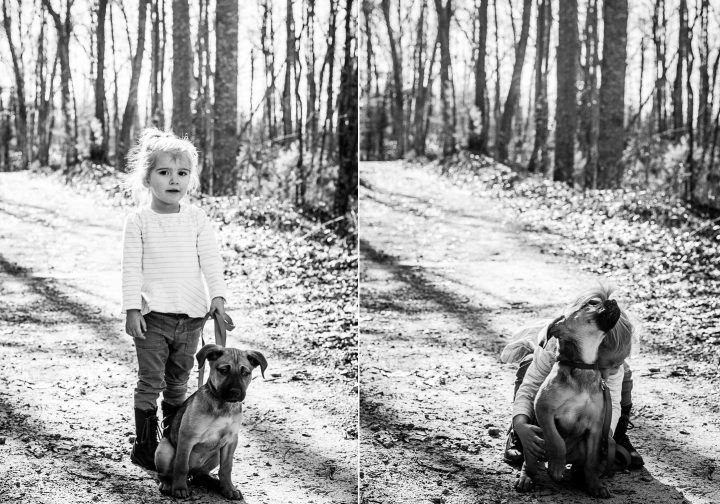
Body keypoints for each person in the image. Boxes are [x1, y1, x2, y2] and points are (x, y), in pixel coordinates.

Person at [121, 128, 228, 471]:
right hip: (153, 318)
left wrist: (218, 297)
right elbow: (130, 270)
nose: (173, 180)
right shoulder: (139, 221)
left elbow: (211, 260)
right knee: (151, 380)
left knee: (179, 382)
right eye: (164, 172)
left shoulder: (196, 219)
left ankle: (173, 438)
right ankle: (144, 444)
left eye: (182, 173)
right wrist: (132, 309)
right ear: (147, 177)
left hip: (192, 317)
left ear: (191, 180)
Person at [501, 286, 644, 470]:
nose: (608, 373)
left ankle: (618, 436)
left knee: (625, 374)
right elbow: (529, 388)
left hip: (585, 407)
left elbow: (613, 403)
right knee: (528, 365)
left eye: (613, 365)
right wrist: (521, 425)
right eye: (603, 367)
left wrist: (606, 434)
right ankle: (521, 434)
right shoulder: (553, 348)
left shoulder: (612, 366)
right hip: (554, 382)